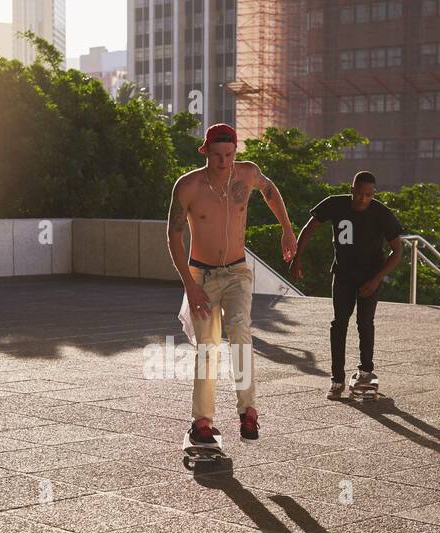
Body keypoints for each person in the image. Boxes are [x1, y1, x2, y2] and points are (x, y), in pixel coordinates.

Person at [167, 124, 297, 443]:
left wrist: (287, 229)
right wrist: (190, 285)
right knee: (207, 349)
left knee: (240, 331)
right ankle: (201, 422)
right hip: (201, 275)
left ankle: (248, 412)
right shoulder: (188, 185)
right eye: (216, 155)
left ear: (236, 151)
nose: (223, 161)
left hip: (237, 272)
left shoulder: (248, 174)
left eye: (229, 154)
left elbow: (270, 190)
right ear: (206, 153)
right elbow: (173, 235)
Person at [292, 172, 403, 398]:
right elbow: (310, 227)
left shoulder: (381, 213)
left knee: (365, 323)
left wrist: (376, 279)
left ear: (374, 194)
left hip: (369, 276)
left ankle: (366, 373)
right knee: (339, 324)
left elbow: (398, 250)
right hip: (343, 274)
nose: (363, 199)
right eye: (360, 193)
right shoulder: (335, 204)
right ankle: (337, 379)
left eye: (369, 195)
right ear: (351, 189)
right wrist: (296, 258)